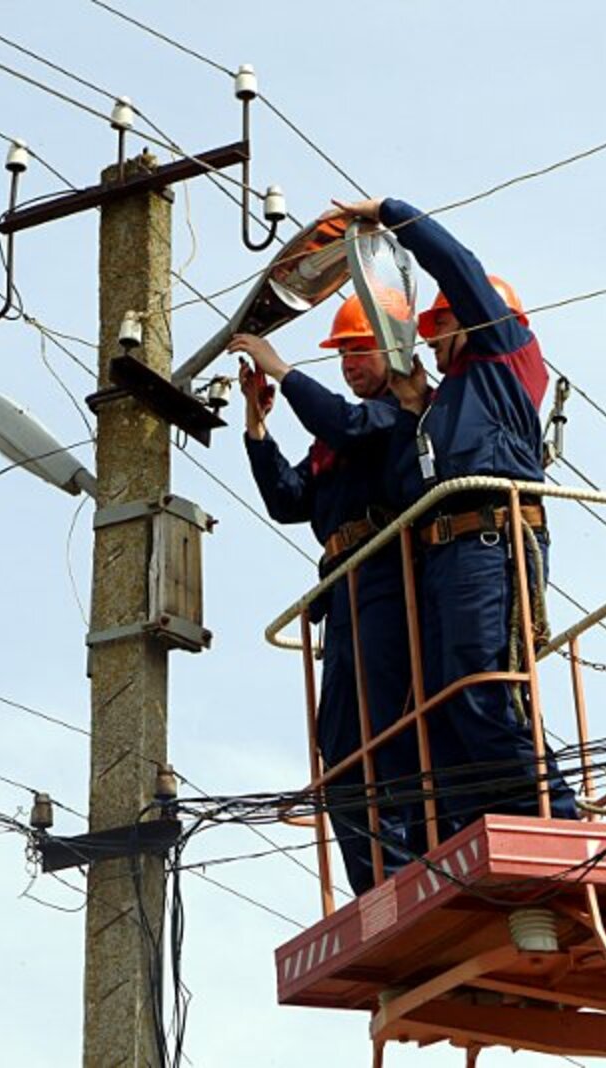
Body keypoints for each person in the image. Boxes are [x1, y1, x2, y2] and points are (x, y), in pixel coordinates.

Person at [325, 197, 578, 836]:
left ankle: (553, 819)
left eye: (439, 329)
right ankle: (477, 821)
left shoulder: (504, 357)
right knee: (441, 702)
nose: (431, 344)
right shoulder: (448, 402)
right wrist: (412, 406)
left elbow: (459, 266)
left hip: (489, 539)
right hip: (445, 553)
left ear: (467, 322)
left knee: (479, 685)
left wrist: (391, 213)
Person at [229, 296, 422, 894]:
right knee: (339, 746)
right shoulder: (338, 440)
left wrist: (282, 371)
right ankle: (378, 887)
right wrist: (257, 425)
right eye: (341, 353)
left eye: (357, 350)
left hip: (388, 581)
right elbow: (290, 501)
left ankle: (406, 872)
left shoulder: (395, 418)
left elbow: (341, 420)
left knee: (386, 734)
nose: (347, 363)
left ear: (391, 351)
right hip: (345, 590)